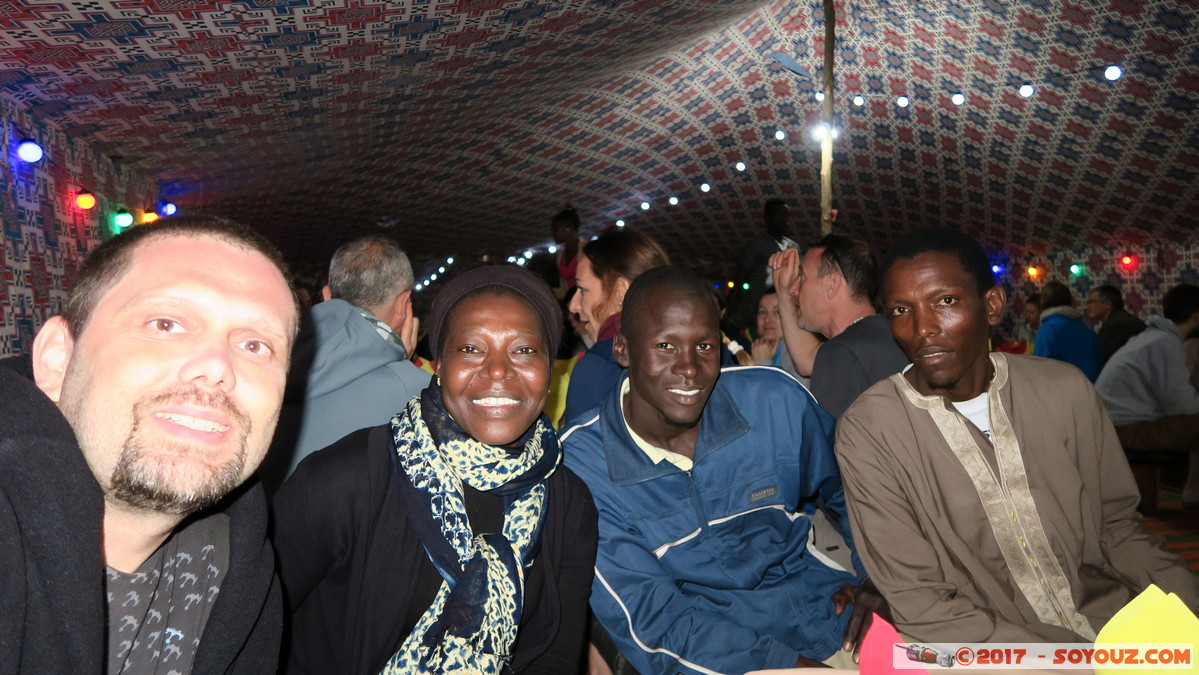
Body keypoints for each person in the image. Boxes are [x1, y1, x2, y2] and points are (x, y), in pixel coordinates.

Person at [836, 227, 1197, 644]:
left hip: (1116, 625)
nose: (923, 328)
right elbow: (923, 604)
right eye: (901, 310)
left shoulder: (1064, 391)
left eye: (946, 301)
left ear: (991, 305)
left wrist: (1189, 606)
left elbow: (1116, 528)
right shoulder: (871, 430)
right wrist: (1070, 661)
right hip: (995, 653)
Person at [1, 217, 296, 673]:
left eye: (256, 346)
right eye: (166, 323)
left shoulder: (242, 572)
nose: (218, 367)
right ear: (58, 359)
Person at [272, 265, 598, 674]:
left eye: (524, 350)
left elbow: (555, 655)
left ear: (550, 368)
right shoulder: (345, 480)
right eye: (471, 349)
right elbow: (253, 627)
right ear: (438, 364)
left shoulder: (569, 503)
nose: (498, 370)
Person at [562, 266, 886, 674]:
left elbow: (856, 487)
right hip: (713, 658)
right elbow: (656, 624)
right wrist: (786, 666)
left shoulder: (772, 401)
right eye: (665, 345)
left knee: (967, 659)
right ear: (623, 349)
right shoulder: (582, 466)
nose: (689, 368)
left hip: (832, 616)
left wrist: (880, 574)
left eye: (705, 346)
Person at [261, 235, 426, 491]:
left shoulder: (258, 365)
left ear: (326, 295)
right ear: (403, 304)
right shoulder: (421, 394)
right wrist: (401, 369)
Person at [770, 234, 908, 418]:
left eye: (802, 277)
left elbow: (834, 444)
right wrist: (783, 291)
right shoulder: (886, 334)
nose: (794, 289)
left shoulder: (842, 352)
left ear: (831, 285)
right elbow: (807, 361)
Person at [1096, 284, 1199, 503]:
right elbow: (1184, 406)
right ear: (1196, 318)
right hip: (1124, 428)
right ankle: (1192, 493)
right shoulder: (1166, 343)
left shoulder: (1153, 337)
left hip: (1111, 422)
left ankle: (1193, 492)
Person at [563, 229, 670, 423]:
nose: (573, 305)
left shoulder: (599, 365)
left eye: (583, 289)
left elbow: (581, 451)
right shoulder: (707, 352)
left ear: (621, 291)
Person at [729, 198, 800, 331]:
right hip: (758, 310)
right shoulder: (757, 244)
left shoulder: (793, 247)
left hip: (785, 309)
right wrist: (729, 311)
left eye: (786, 214)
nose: (784, 218)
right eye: (779, 214)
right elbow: (741, 278)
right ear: (767, 218)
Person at [1033, 280, 1102, 381]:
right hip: (1091, 389)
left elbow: (1040, 368)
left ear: (1043, 302)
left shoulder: (1048, 330)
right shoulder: (1084, 328)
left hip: (1065, 391)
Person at [1086, 284, 1146, 366]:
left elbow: (1100, 359)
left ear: (1107, 304)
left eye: (1091, 302)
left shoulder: (1114, 325)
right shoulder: (1121, 319)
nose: (1087, 307)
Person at [551, 206, 586, 298]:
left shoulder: (587, 249)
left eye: (555, 228)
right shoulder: (560, 256)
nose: (553, 233)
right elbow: (565, 290)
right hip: (573, 301)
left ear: (567, 227)